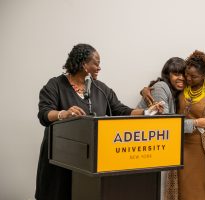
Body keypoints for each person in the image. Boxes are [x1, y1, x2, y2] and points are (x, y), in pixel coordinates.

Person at [35, 43, 163, 200]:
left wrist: (147, 112)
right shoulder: (55, 85)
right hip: (61, 160)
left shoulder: (100, 88)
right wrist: (63, 114)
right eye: (96, 63)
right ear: (84, 64)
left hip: (89, 163)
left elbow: (120, 110)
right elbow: (44, 114)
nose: (99, 67)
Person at [137, 57, 205, 200]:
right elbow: (165, 123)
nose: (181, 78)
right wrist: (195, 123)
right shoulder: (161, 87)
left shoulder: (175, 92)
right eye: (176, 74)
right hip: (142, 143)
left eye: (183, 74)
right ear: (167, 75)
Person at [166, 50, 205, 200]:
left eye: (193, 77)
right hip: (180, 149)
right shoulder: (179, 88)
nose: (187, 78)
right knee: (184, 193)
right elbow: (160, 87)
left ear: (204, 76)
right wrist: (145, 91)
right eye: (186, 74)